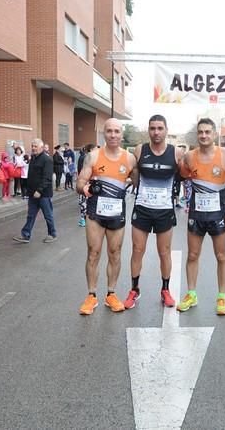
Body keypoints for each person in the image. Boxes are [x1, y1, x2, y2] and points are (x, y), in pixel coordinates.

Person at [77, 119, 137, 315]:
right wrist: (84, 187)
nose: (113, 135)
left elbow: (138, 182)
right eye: (109, 131)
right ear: (104, 133)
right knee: (93, 252)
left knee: (115, 253)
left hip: (117, 214)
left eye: (116, 131)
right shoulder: (93, 156)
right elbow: (80, 182)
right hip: (95, 213)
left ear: (121, 134)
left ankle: (111, 294)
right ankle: (91, 295)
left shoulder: (129, 159)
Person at [123, 114, 183, 309]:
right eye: (152, 128)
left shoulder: (176, 153)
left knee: (164, 252)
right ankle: (134, 289)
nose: (156, 132)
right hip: (142, 208)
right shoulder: (141, 150)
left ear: (166, 130)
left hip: (164, 211)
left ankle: (165, 290)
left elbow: (185, 174)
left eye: (160, 128)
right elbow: (133, 173)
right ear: (148, 130)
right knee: (137, 250)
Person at [176, 119, 225, 315]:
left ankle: (222, 297)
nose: (203, 135)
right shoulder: (189, 157)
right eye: (200, 132)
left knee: (221, 255)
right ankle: (191, 294)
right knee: (192, 255)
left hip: (218, 213)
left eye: (208, 132)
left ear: (215, 134)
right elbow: (181, 175)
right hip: (197, 213)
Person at [12, 138, 57, 243]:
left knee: (48, 215)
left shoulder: (47, 160)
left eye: (35, 146)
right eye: (32, 146)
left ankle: (52, 234)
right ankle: (25, 235)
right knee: (30, 215)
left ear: (41, 147)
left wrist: (40, 191)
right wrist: (29, 191)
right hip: (32, 193)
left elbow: (47, 178)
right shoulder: (33, 158)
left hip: (43, 194)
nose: (33, 148)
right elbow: (31, 176)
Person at [77, 144, 93, 227]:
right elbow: (81, 170)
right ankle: (83, 219)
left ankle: (85, 219)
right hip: (85, 182)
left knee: (85, 201)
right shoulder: (86, 158)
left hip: (87, 182)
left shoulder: (86, 157)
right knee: (84, 201)